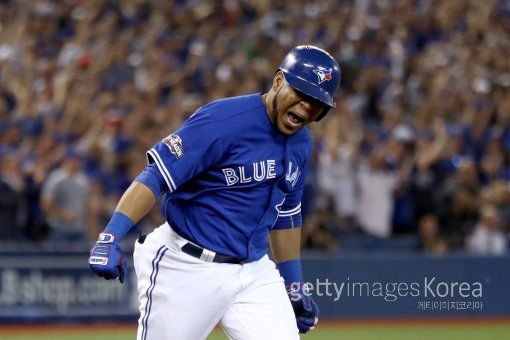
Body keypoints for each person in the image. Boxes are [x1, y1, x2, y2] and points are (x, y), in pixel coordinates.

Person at [88, 45, 341, 339]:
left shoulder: (302, 142)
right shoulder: (222, 121)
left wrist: (293, 284)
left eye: (316, 102)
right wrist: (111, 235)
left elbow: (286, 214)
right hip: (186, 265)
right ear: (277, 82)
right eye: (301, 93)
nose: (306, 107)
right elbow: (156, 176)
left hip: (254, 272)